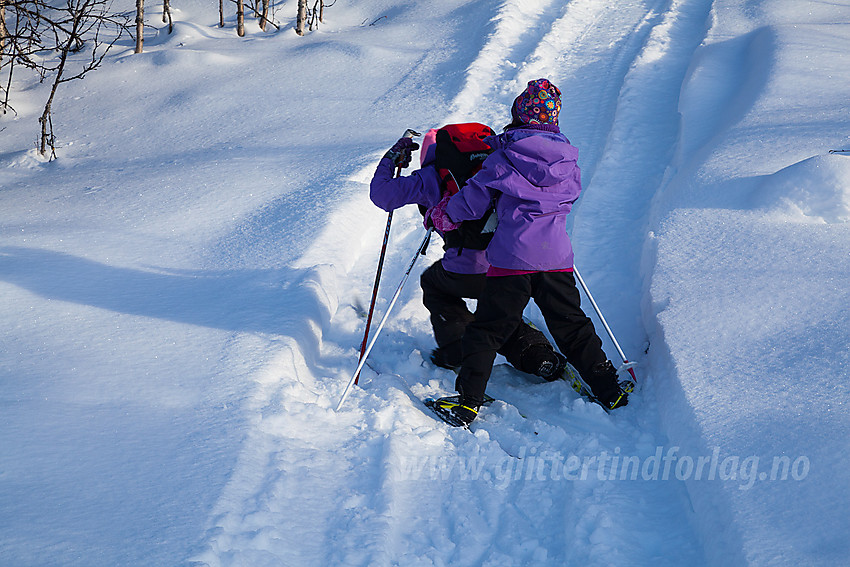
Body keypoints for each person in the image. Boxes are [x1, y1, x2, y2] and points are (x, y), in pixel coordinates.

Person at [426, 78, 630, 426]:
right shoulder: (569, 161)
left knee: (488, 329)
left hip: (511, 260)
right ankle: (610, 389)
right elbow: (569, 197)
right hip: (556, 257)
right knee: (572, 325)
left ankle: (468, 402)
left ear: (519, 115)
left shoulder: (503, 157)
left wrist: (441, 215)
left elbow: (472, 202)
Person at [369, 125, 564, 380]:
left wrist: (391, 159)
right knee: (498, 311)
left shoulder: (430, 177)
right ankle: (537, 355)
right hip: (511, 264)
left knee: (434, 284)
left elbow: (381, 195)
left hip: (463, 270)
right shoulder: (499, 167)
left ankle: (457, 347)